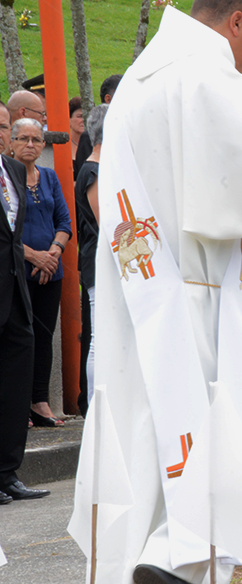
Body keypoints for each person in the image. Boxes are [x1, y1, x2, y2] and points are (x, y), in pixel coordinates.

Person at [85, 0, 242, 584]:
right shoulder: (206, 70)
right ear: (235, 20)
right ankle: (182, 554)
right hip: (199, 287)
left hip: (138, 284)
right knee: (224, 414)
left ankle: (146, 552)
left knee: (147, 423)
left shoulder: (138, 78)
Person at [0, 106, 51, 502]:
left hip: (17, 296)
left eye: (3, 126)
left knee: (16, 386)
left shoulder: (14, 173)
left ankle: (8, 473)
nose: (0, 133)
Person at [9, 118, 72, 426]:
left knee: (45, 337)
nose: (30, 144)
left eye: (36, 139)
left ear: (44, 144)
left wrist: (53, 253)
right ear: (12, 142)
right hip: (17, 271)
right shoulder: (5, 179)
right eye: (24, 139)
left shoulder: (49, 178)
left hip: (50, 271)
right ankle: (18, 405)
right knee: (19, 339)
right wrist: (34, 257)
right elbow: (5, 231)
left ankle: (40, 401)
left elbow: (64, 222)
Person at [76, 104, 108, 411]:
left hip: (101, 261)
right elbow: (106, 221)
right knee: (99, 339)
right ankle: (97, 408)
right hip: (98, 263)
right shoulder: (93, 170)